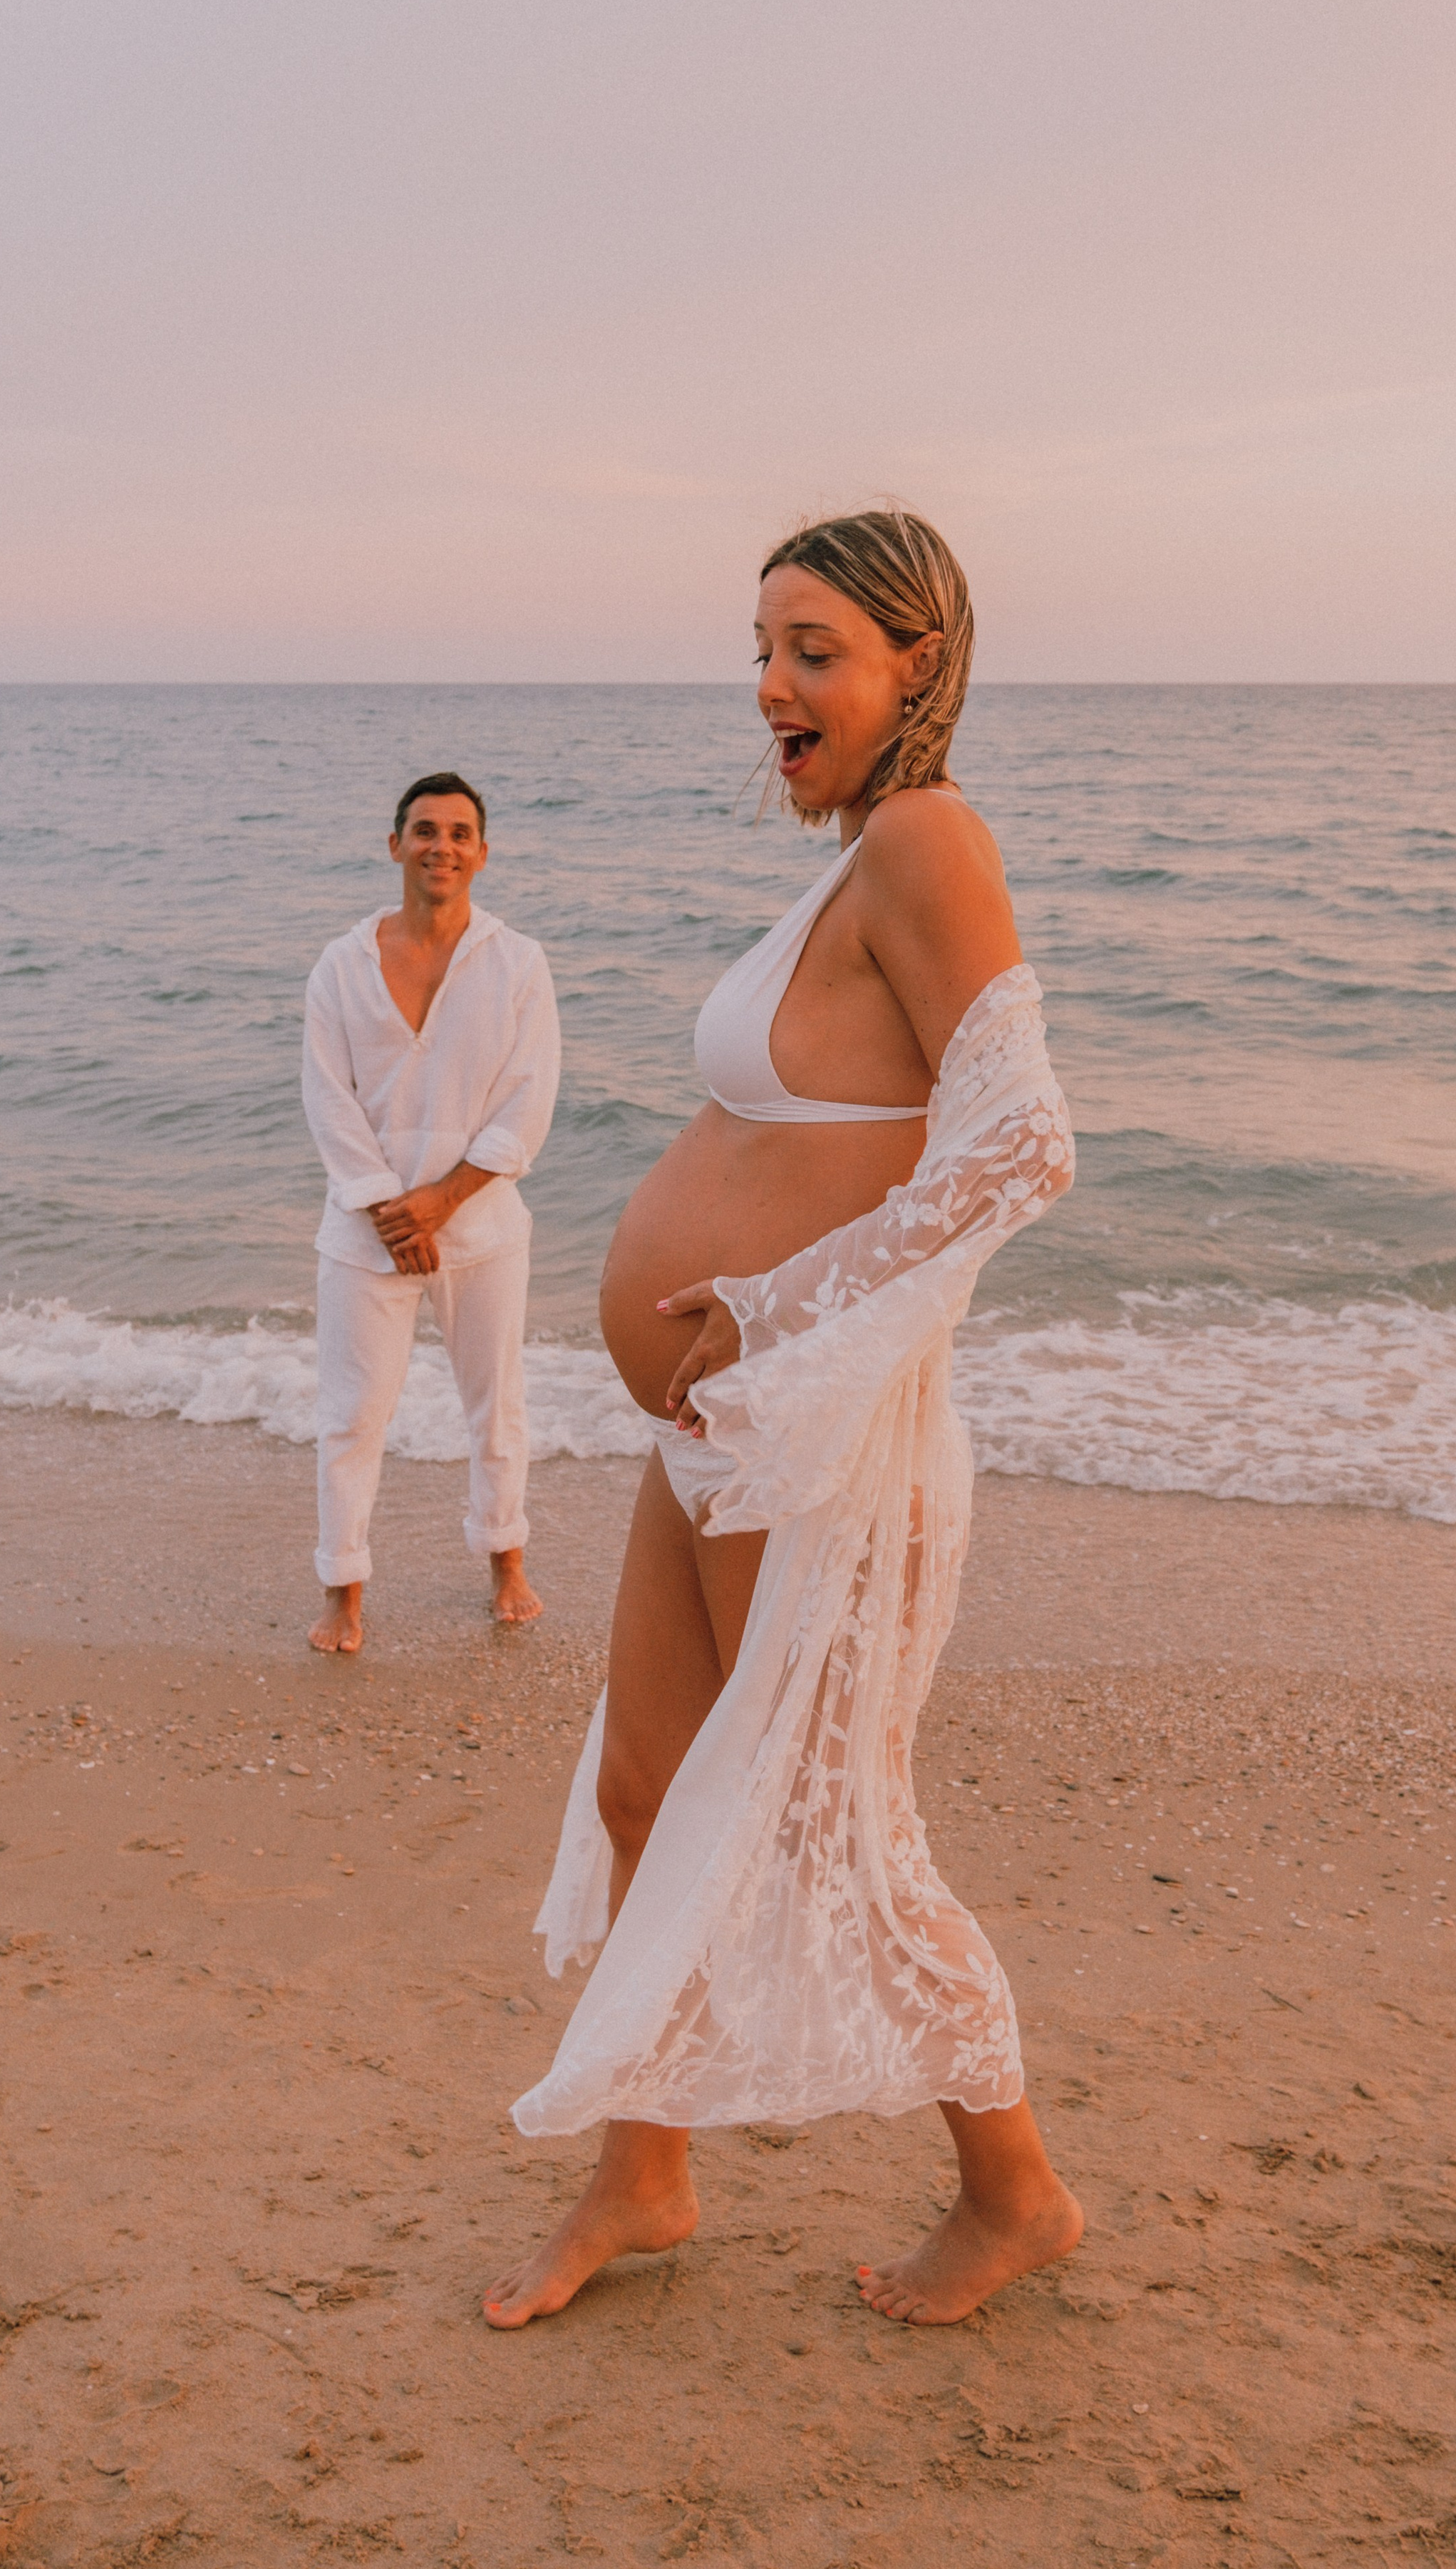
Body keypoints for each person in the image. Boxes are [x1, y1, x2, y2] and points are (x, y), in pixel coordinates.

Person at [485, 510, 1081, 2332]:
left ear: (915, 661)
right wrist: (730, 1331)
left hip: (810, 1427)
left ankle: (1013, 2188)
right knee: (645, 1779)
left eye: (813, 649)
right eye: (759, 647)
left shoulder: (923, 837)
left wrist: (772, 1307)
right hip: (724, 1421)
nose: (771, 686)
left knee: (823, 1823)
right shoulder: (840, 871)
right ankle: (644, 2170)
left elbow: (1017, 1143)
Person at [302, 771, 559, 1648]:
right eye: (423, 830)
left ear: (481, 854)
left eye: (457, 833)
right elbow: (328, 1098)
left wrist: (440, 1204)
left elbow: (527, 1101)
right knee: (351, 1412)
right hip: (363, 1232)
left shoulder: (517, 963)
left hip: (480, 1231)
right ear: (395, 846)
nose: (439, 846)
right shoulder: (341, 965)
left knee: (496, 1405)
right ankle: (343, 1587)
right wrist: (385, 1209)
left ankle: (505, 1559)